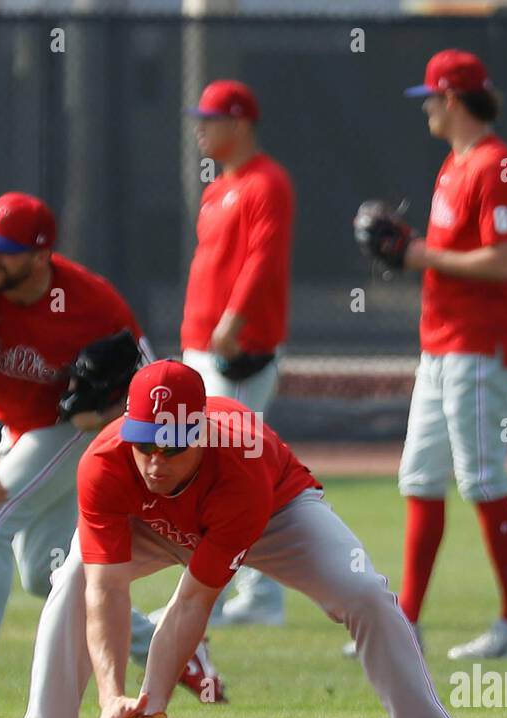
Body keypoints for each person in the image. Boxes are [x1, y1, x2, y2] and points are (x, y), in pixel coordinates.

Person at [8, 360, 486, 718]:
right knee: (73, 579)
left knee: (365, 593)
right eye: (144, 444)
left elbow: (192, 600)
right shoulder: (105, 463)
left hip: (274, 514)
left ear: (202, 432)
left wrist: (149, 710)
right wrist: (114, 700)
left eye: (172, 446)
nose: (155, 462)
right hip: (150, 524)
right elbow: (106, 591)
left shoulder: (240, 468)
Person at [0, 192, 224, 707]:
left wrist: (117, 424)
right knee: (47, 572)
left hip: (77, 428)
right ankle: (174, 649)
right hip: (21, 433)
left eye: (4, 249)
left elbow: (152, 382)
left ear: (39, 254)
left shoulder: (92, 300)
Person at [354, 50, 507, 661]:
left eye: (431, 98)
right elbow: (447, 251)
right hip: (442, 343)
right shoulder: (452, 165)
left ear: (453, 100)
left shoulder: (496, 165)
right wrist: (415, 247)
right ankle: (406, 623)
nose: (427, 108)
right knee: (420, 477)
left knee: (482, 479)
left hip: (481, 344)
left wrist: (419, 255)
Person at [152, 79, 294, 629]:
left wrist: (233, 322)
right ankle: (242, 592)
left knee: (231, 470)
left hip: (238, 349)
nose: (199, 129)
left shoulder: (267, 182)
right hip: (203, 346)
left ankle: (258, 598)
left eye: (209, 119)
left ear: (240, 123)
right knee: (218, 470)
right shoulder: (220, 187)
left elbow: (263, 259)